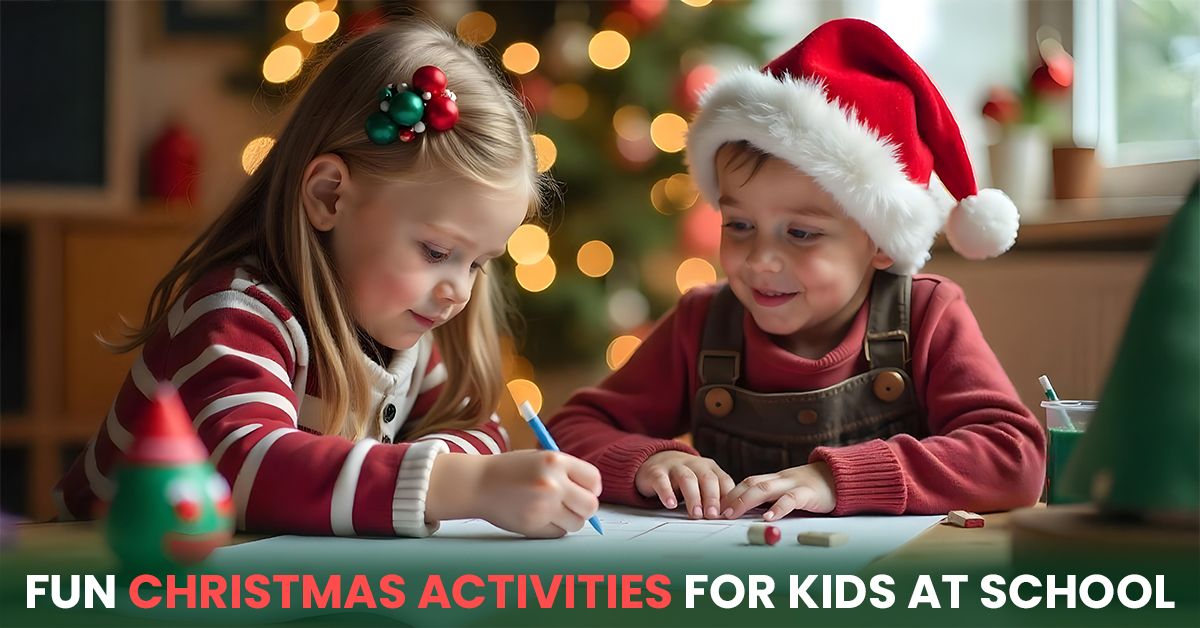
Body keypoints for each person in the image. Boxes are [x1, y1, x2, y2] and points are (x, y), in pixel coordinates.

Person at [55, 20, 601, 539]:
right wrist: (461, 483)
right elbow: (244, 468)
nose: (459, 289)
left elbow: (479, 431)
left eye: (478, 263)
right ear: (328, 196)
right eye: (437, 251)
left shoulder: (406, 342)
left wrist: (464, 468)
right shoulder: (235, 317)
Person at [549, 18, 1045, 522]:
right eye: (739, 223)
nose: (760, 259)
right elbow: (572, 428)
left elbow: (1016, 457)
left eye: (801, 233)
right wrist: (649, 461)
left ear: (879, 240)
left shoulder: (926, 315)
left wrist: (839, 478)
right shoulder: (702, 322)